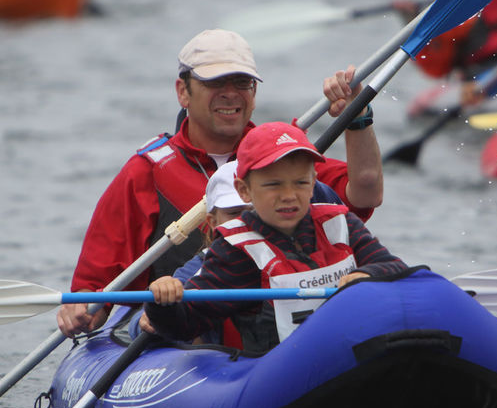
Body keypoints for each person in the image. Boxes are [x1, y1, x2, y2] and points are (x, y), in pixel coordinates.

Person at [57, 28, 385, 337]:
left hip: (280, 337)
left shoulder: (285, 160)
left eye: (242, 83)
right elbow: (95, 287)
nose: (230, 94)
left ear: (254, 94)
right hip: (186, 337)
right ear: (183, 92)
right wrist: (83, 311)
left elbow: (366, 192)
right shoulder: (146, 172)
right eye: (216, 83)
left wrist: (356, 119)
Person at [140, 122, 408, 352]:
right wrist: (163, 302)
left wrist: (369, 275)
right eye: (274, 184)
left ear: (314, 183)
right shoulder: (236, 250)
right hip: (282, 377)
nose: (289, 195)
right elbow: (187, 323)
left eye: (300, 183)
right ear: (245, 190)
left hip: (356, 356)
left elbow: (396, 268)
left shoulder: (341, 223)